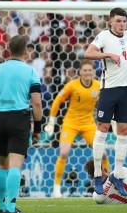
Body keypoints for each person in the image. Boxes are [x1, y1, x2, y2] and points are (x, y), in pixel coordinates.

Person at [0, 35, 43, 213]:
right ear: (25, 51)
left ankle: (1, 207)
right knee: (15, 164)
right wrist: (37, 128)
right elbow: (37, 104)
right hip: (18, 119)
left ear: (9, 49)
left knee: (1, 165)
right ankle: (11, 208)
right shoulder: (29, 72)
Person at [84, 7, 127, 196]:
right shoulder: (104, 37)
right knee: (103, 129)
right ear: (110, 22)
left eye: (124, 21)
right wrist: (108, 55)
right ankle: (98, 174)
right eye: (118, 21)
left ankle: (118, 174)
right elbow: (88, 53)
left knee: (123, 131)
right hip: (108, 90)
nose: (122, 24)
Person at [45, 60, 104, 198]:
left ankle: (108, 184)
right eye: (85, 70)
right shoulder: (72, 85)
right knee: (64, 152)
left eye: (90, 70)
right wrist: (52, 121)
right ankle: (56, 188)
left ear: (93, 72)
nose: (88, 73)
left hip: (88, 123)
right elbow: (57, 101)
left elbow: (105, 103)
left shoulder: (98, 86)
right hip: (70, 123)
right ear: (80, 72)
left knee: (102, 153)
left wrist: (111, 120)